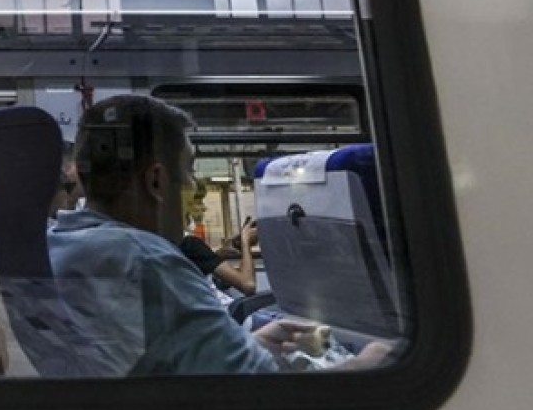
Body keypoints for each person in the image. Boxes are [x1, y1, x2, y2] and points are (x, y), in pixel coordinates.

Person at [48, 94, 389, 376]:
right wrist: (366, 364)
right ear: (156, 181)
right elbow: (262, 396)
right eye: (189, 169)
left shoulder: (61, 244)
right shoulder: (148, 261)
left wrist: (250, 345)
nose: (192, 184)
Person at [179, 217, 258, 299]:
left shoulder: (182, 252)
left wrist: (235, 244)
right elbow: (248, 285)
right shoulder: (191, 245)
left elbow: (221, 276)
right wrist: (245, 241)